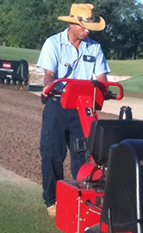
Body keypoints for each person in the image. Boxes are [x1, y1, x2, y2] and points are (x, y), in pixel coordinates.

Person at [37, 3, 110, 217]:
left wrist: (103, 88)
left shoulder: (94, 48)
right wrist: (48, 85)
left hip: (83, 109)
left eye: (90, 26)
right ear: (73, 24)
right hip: (58, 104)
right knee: (52, 154)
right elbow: (49, 74)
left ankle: (81, 200)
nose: (88, 30)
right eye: (85, 26)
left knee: (84, 156)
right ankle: (52, 201)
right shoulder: (54, 43)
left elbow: (102, 77)